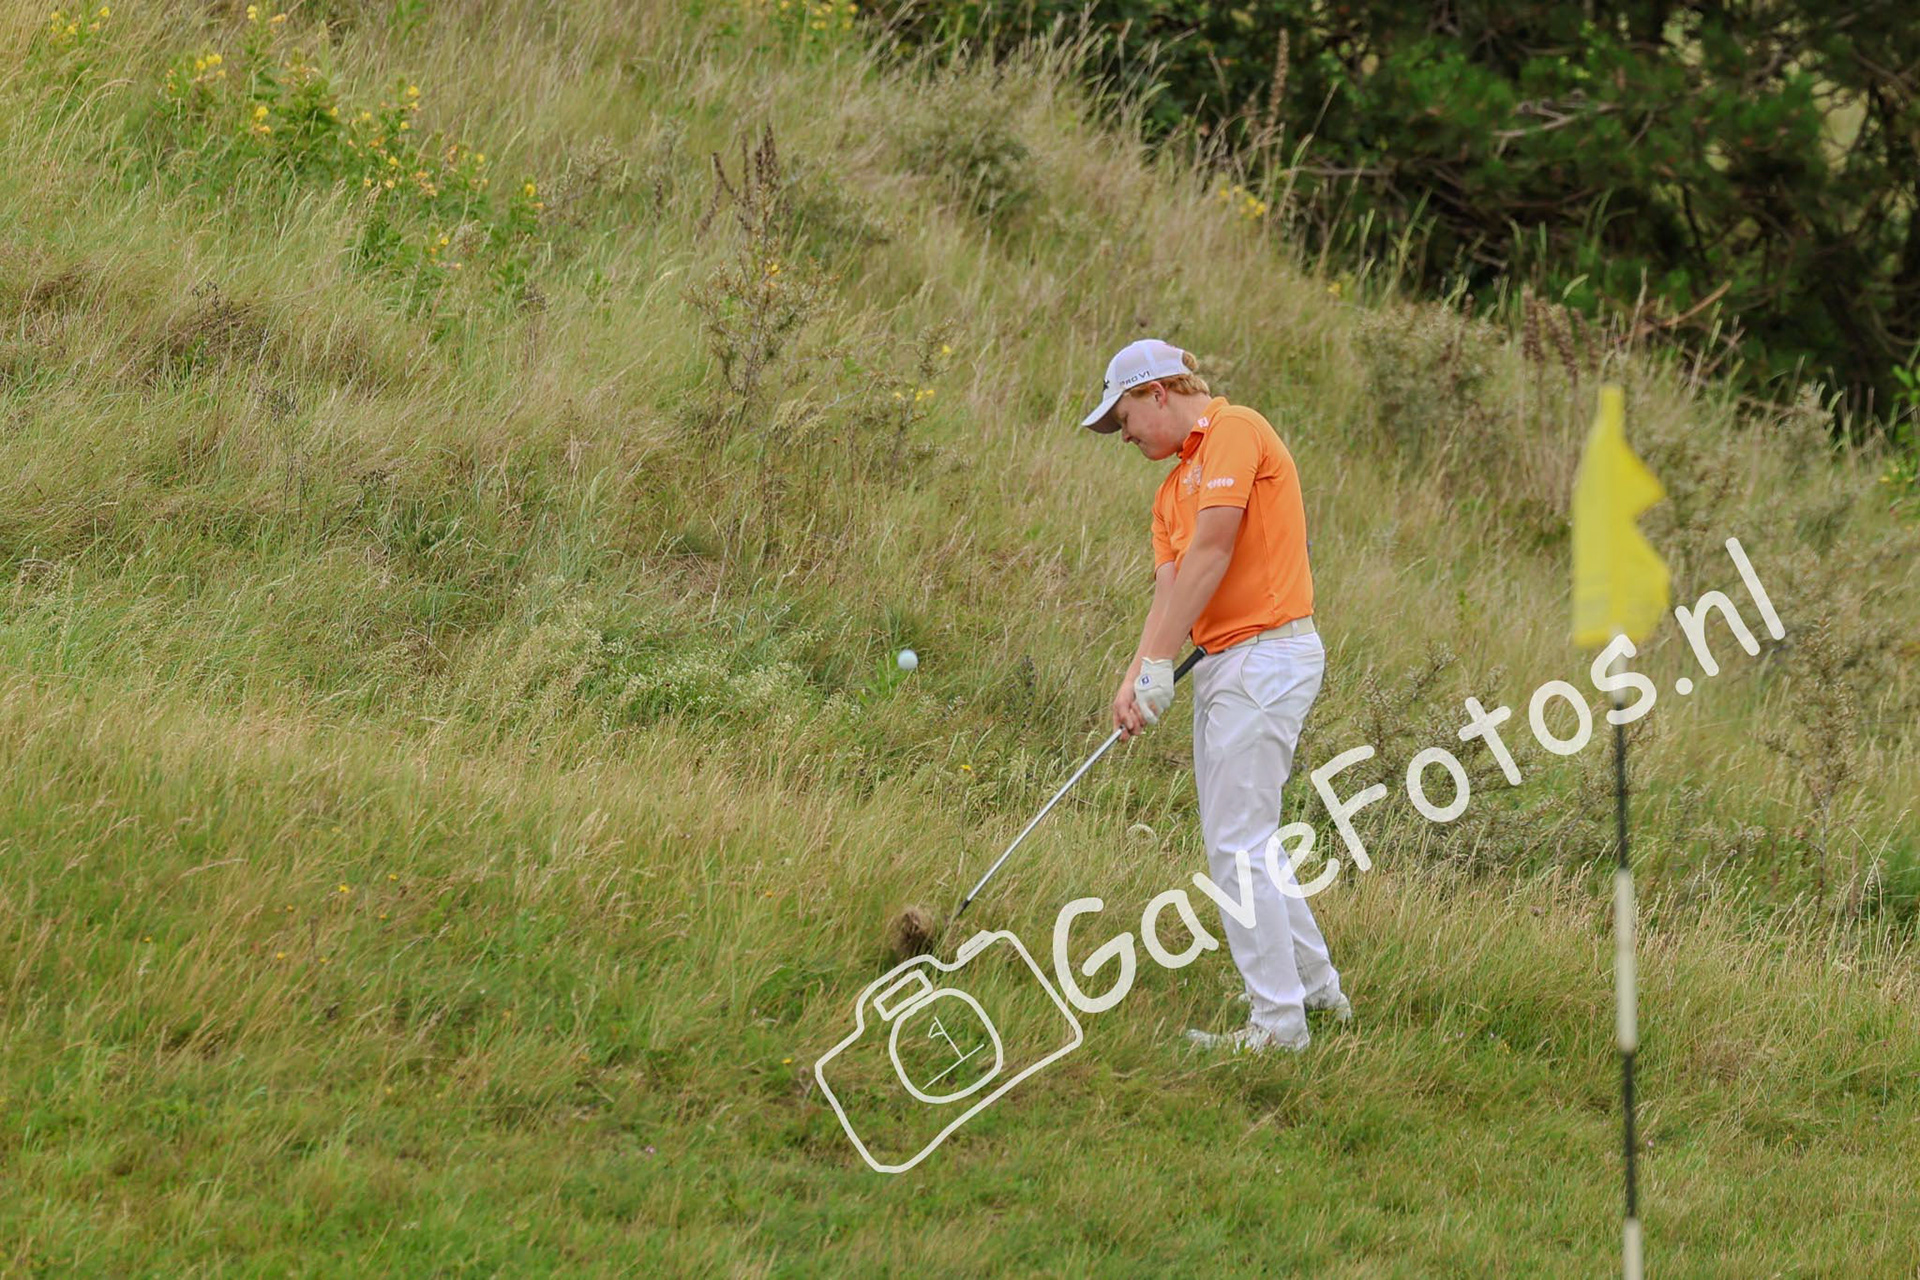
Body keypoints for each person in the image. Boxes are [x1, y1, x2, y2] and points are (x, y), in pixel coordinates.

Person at [1079, 338, 1351, 1054]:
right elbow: (1171, 589)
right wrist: (1136, 677)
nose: (1124, 436)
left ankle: (1279, 1026)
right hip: (1227, 667)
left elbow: (1214, 550)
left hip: (1268, 654)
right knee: (1248, 839)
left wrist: (1159, 665)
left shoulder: (1235, 429)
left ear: (1157, 391)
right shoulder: (1170, 491)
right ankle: (1317, 993)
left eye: (1124, 419)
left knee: (1237, 845)